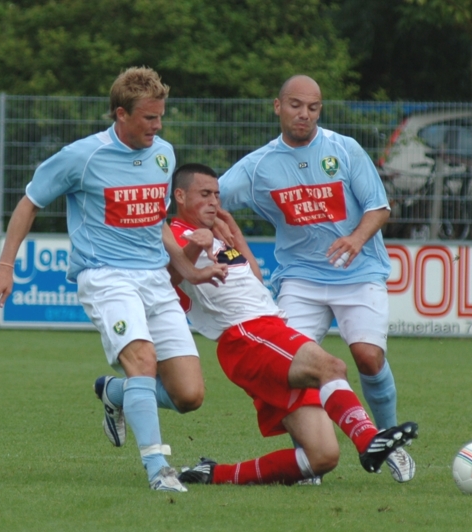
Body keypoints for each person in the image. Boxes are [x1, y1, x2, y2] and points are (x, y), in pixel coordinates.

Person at [0, 67, 227, 492]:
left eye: (160, 116)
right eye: (149, 118)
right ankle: (159, 471)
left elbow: (157, 223)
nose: (158, 125)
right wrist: (5, 268)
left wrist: (187, 271)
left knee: (189, 395)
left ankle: (115, 394)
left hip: (154, 280)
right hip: (106, 277)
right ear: (120, 114)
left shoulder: (164, 154)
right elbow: (29, 203)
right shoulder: (82, 156)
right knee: (143, 364)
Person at [218, 74, 416, 483]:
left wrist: (356, 239)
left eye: (312, 107)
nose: (304, 114)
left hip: (358, 273)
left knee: (368, 357)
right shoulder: (258, 167)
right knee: (290, 367)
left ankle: (389, 440)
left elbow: (379, 208)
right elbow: (210, 200)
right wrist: (229, 239)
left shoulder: (344, 150)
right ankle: (309, 454)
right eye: (295, 105)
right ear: (278, 106)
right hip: (300, 280)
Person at [169, 163, 418, 486]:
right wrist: (194, 245)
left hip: (266, 331)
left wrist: (232, 230)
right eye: (205, 194)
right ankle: (369, 439)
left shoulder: (218, 234)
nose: (215, 201)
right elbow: (169, 278)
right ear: (180, 196)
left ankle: (212, 474)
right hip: (246, 335)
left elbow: (255, 280)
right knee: (331, 366)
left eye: (217, 194)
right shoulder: (174, 234)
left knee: (321, 457)